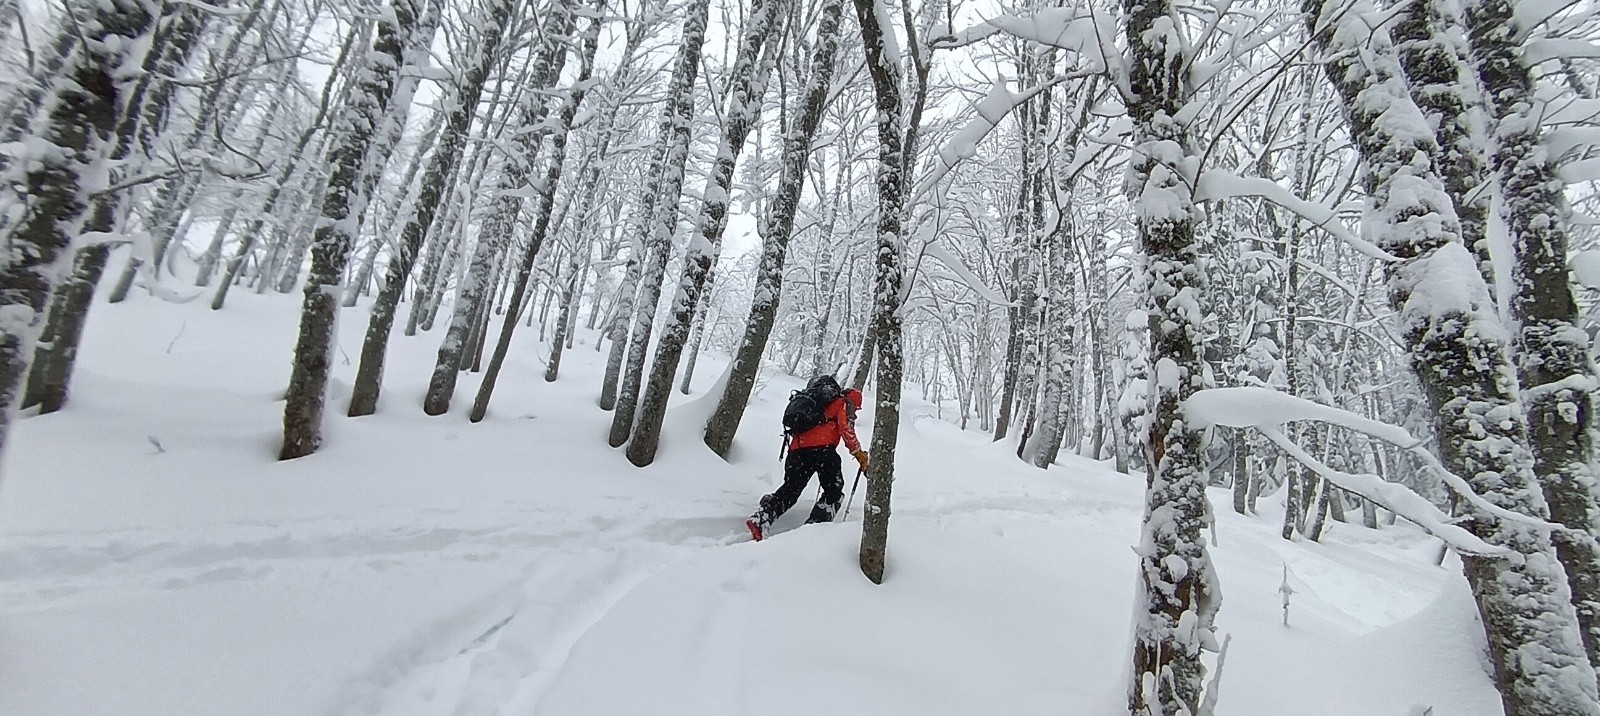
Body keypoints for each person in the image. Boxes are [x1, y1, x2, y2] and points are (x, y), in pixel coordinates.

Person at [746, 375, 868, 541]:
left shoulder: (817, 403)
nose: (856, 413)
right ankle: (813, 531)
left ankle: (761, 518)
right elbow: (846, 430)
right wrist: (858, 453)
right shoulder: (843, 403)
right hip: (823, 451)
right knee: (834, 491)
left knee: (790, 489)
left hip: (796, 450)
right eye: (856, 409)